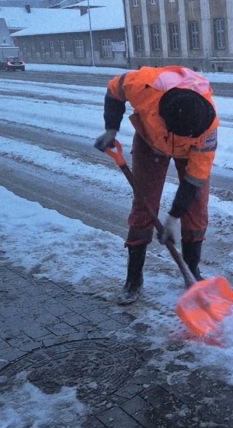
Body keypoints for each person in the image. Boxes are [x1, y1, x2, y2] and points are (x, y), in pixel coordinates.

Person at [94, 66, 219, 304]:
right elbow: (114, 90)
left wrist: (173, 218)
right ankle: (134, 279)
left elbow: (194, 180)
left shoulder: (208, 128)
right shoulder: (144, 86)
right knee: (144, 206)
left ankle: (191, 272)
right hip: (151, 142)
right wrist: (112, 127)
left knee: (197, 208)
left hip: (191, 151)